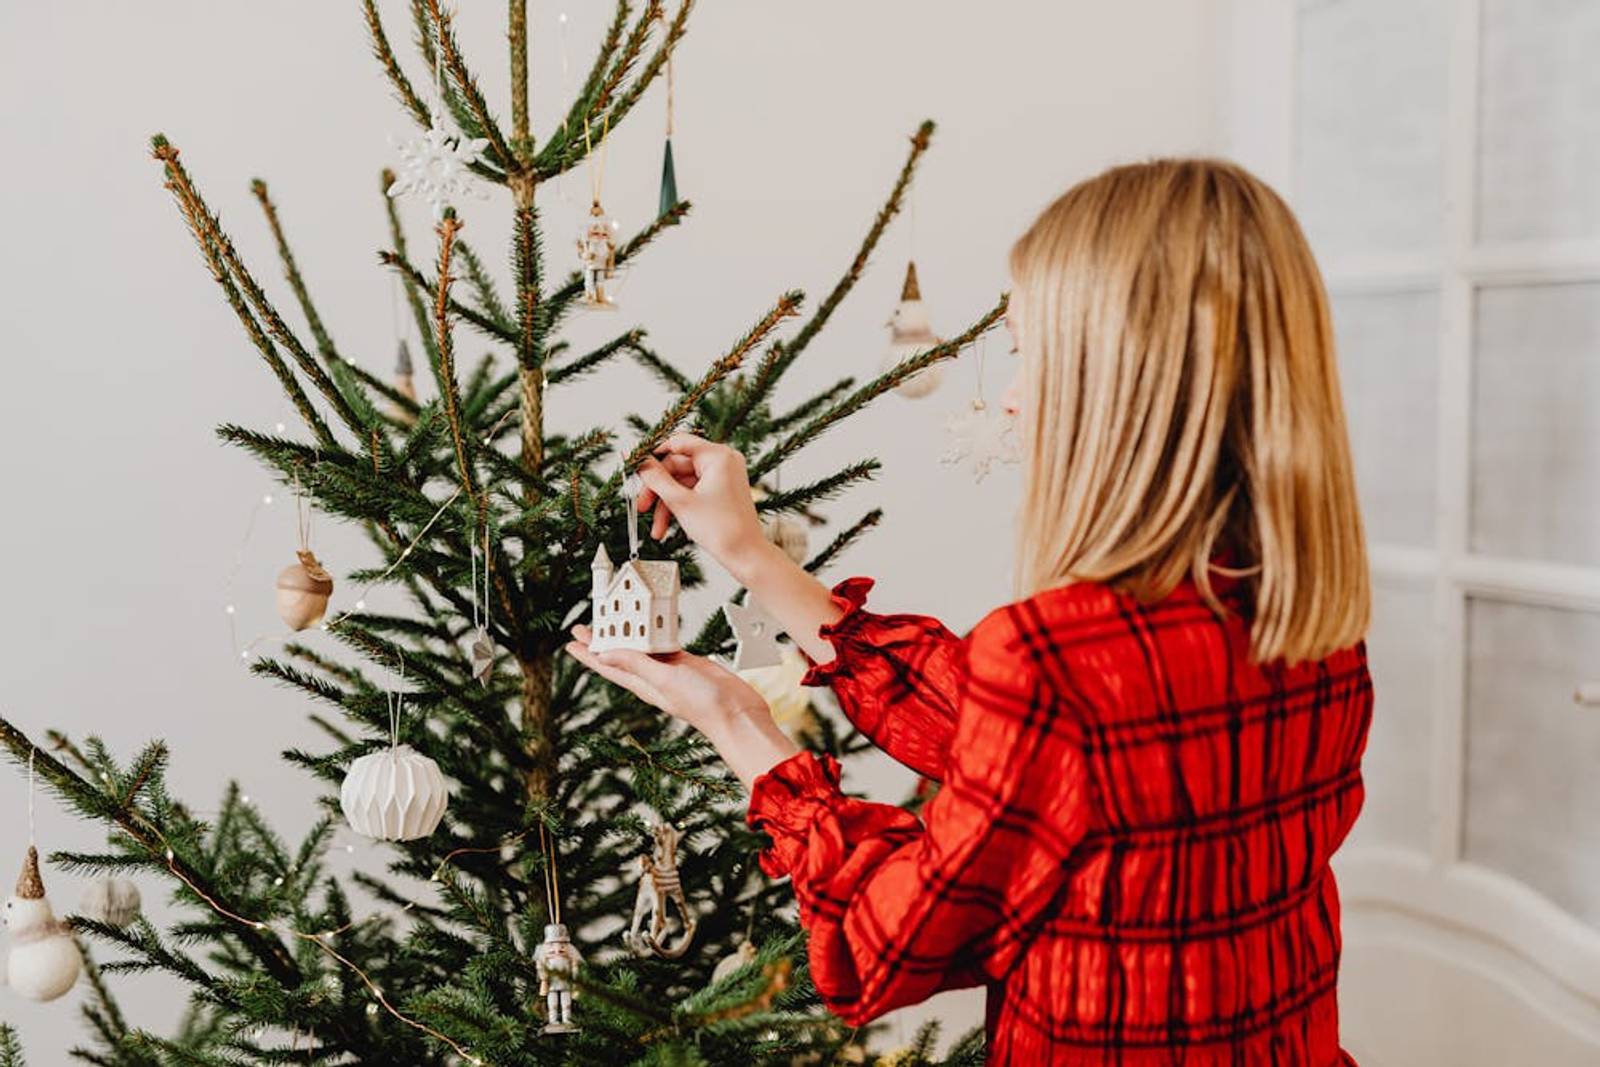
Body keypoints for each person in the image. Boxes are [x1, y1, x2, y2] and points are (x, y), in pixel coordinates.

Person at [564, 158, 1373, 1066]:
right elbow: (1024, 749)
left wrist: (739, 721)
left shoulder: (1056, 657)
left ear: (1123, 382)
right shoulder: (1306, 616)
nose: (1013, 393)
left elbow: (882, 948)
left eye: (1028, 353)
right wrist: (750, 554)